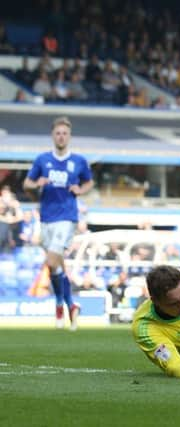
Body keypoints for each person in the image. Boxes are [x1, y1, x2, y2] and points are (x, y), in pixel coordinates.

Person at [23, 117, 94, 330]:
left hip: (67, 217)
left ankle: (59, 305)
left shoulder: (79, 161)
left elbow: (89, 181)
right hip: (46, 218)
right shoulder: (42, 160)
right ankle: (71, 305)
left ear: (69, 136)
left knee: (52, 262)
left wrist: (81, 190)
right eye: (58, 133)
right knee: (57, 266)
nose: (61, 136)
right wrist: (37, 183)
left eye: (64, 133)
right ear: (53, 136)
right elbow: (26, 183)